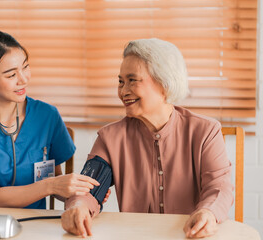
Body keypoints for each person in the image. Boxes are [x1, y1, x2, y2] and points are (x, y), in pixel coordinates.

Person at [61, 38, 233, 238]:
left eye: (132, 80)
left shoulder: (206, 131)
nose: (123, 91)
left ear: (164, 83)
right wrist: (78, 207)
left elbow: (218, 187)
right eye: (120, 82)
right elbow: (87, 188)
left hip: (189, 235)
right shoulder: (110, 138)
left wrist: (208, 212)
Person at [0, 30, 99, 209]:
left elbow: (56, 184)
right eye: (11, 75)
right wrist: (52, 185)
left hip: (30, 221)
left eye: (25, 67)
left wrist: (84, 196)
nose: (23, 79)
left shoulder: (47, 116)